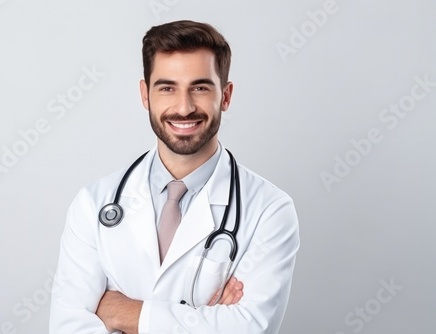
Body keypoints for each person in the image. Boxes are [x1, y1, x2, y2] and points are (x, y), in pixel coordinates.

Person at [49, 20, 300, 334]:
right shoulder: (93, 204)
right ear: (145, 95)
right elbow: (67, 326)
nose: (184, 107)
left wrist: (119, 313)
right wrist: (204, 321)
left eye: (200, 87)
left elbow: (249, 328)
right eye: (167, 87)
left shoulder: (270, 210)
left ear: (225, 95)